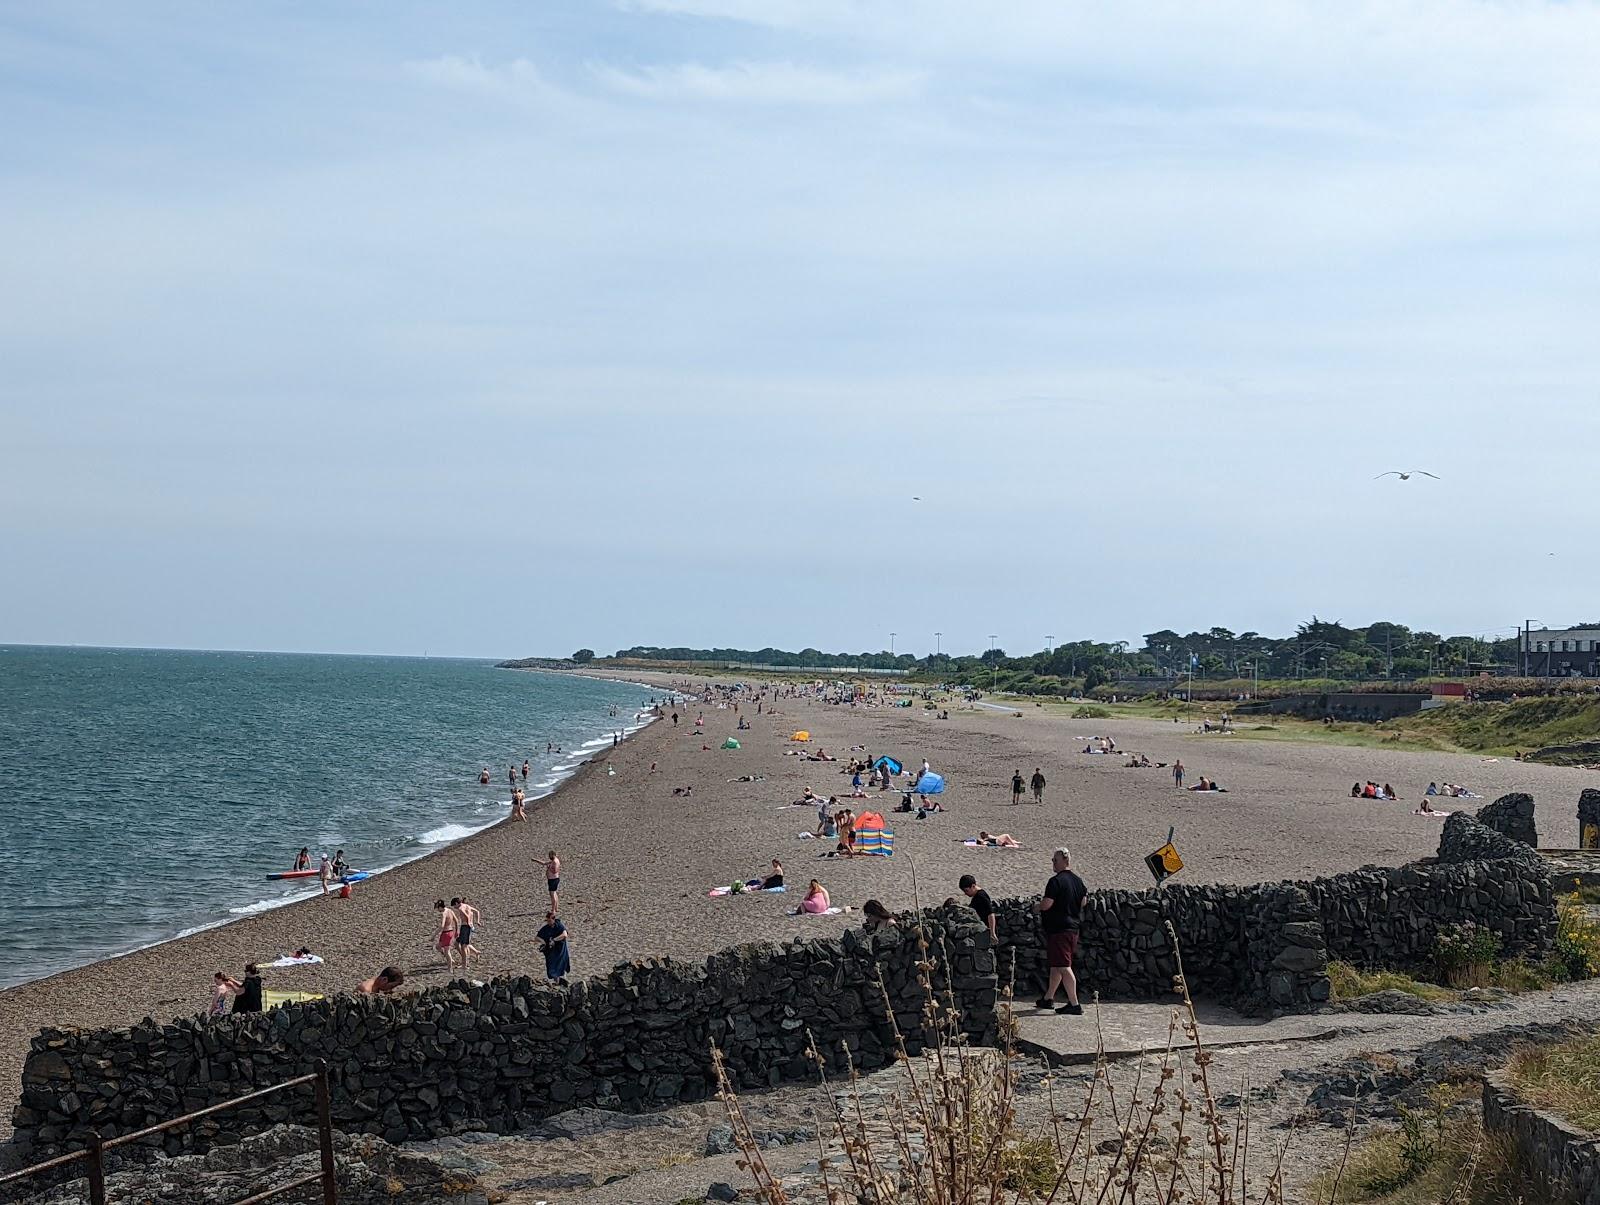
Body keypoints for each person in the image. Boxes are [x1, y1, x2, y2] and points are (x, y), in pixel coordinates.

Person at [1033, 849, 1086, 1014]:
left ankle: (1074, 1004)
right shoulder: (1078, 881)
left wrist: (1037, 907)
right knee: (1056, 965)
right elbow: (1083, 901)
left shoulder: (1055, 881)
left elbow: (1047, 903)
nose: (1053, 863)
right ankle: (1048, 998)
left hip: (1059, 929)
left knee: (1063, 965)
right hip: (1072, 928)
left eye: (1055, 860)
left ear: (1064, 861)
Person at [960, 874, 997, 941]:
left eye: (966, 890)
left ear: (973, 886)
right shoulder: (977, 896)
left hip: (986, 932)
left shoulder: (981, 896)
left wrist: (992, 933)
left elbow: (991, 914)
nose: (965, 893)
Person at [538, 909, 570, 982]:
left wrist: (554, 940)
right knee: (552, 968)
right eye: (547, 921)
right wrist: (544, 942)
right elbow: (537, 937)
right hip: (551, 952)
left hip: (561, 950)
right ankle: (557, 982)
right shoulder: (546, 928)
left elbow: (564, 935)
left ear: (553, 919)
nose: (548, 922)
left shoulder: (559, 925)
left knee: (561, 967)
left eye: (549, 921)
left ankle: (562, 983)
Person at [435, 899, 460, 968]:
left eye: (438, 908)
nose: (438, 910)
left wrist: (434, 935)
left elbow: (442, 926)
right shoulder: (450, 910)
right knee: (438, 947)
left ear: (440, 907)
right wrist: (457, 930)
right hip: (449, 932)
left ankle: (450, 968)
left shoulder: (444, 913)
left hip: (446, 933)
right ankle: (451, 960)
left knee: (447, 951)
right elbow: (456, 921)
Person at [454, 896, 478, 966]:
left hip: (465, 927)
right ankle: (472, 955)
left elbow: (466, 916)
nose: (455, 908)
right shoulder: (467, 906)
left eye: (454, 906)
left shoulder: (461, 908)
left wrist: (468, 923)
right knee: (460, 944)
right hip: (466, 927)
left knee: (464, 946)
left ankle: (465, 963)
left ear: (456, 903)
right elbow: (477, 911)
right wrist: (477, 921)